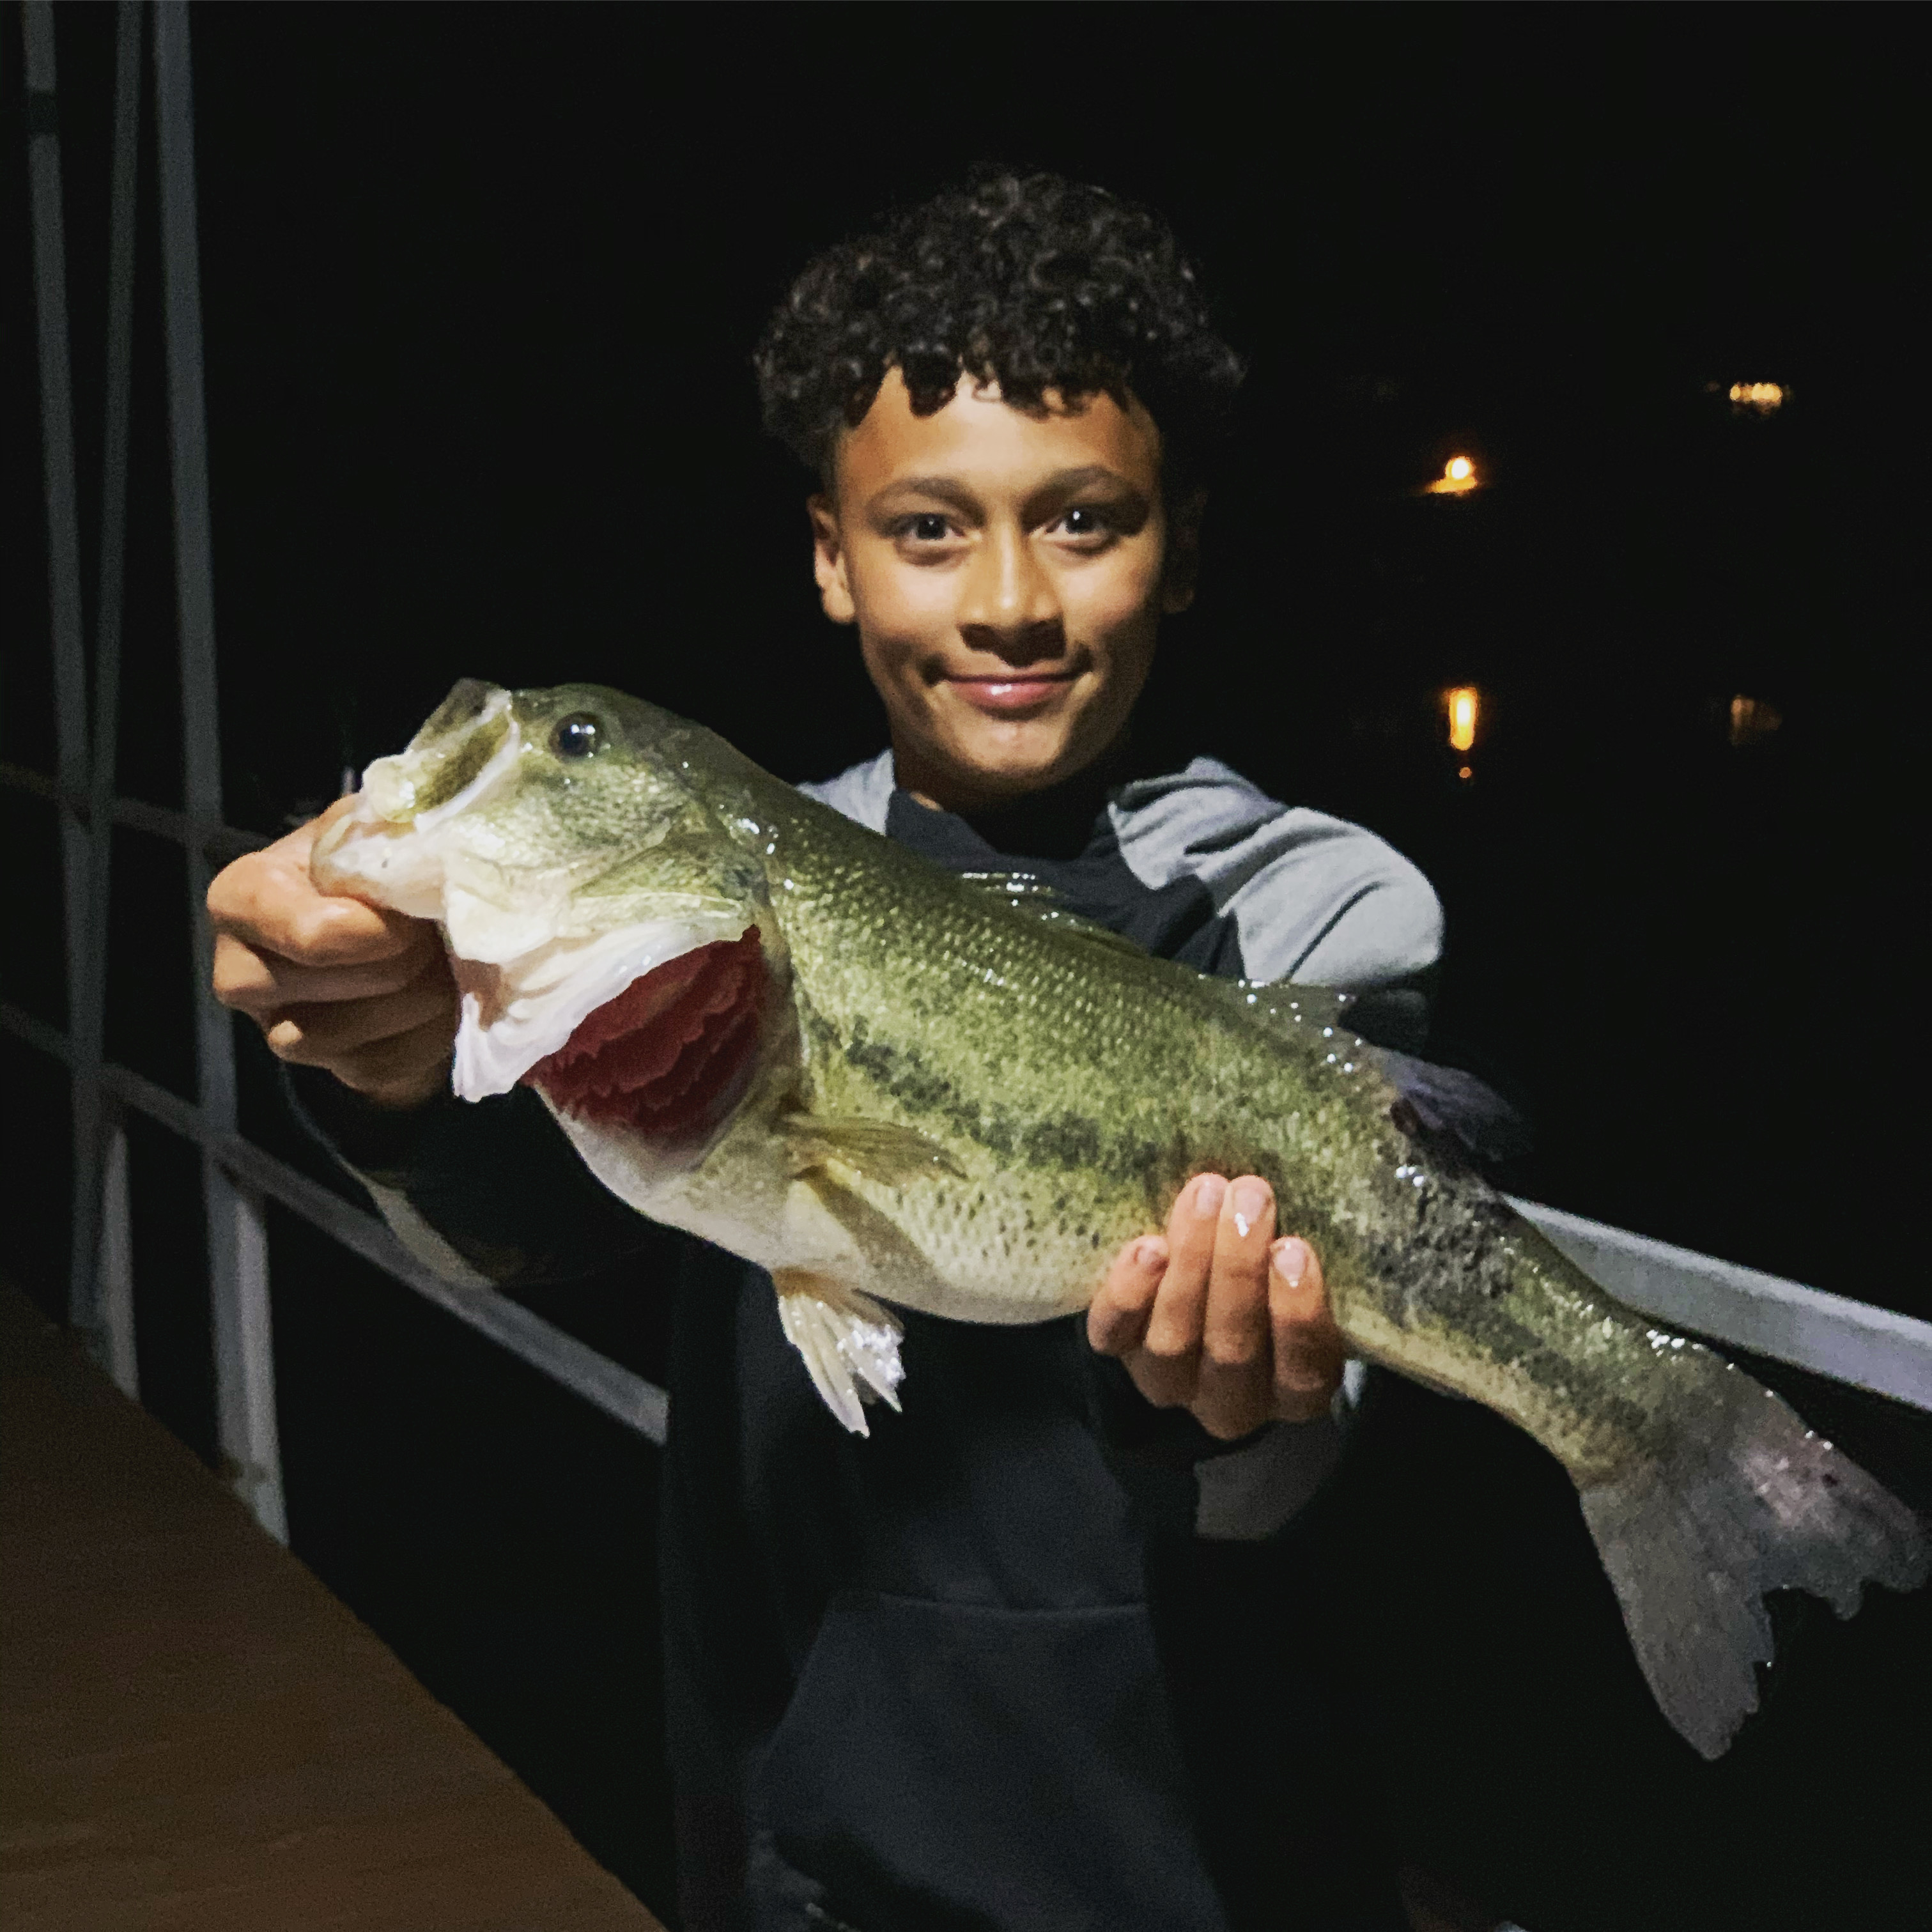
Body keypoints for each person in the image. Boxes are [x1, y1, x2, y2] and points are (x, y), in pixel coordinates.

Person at [209, 173, 1445, 1931]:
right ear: (828, 554)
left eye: (1085, 519)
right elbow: (523, 1222)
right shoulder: (715, 880)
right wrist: (381, 1056)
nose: (1009, 600)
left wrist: (1238, 1406)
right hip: (802, 1840)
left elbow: (1301, 1450)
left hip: (1202, 1842)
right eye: (928, 530)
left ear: (1183, 548)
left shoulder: (1313, 903)